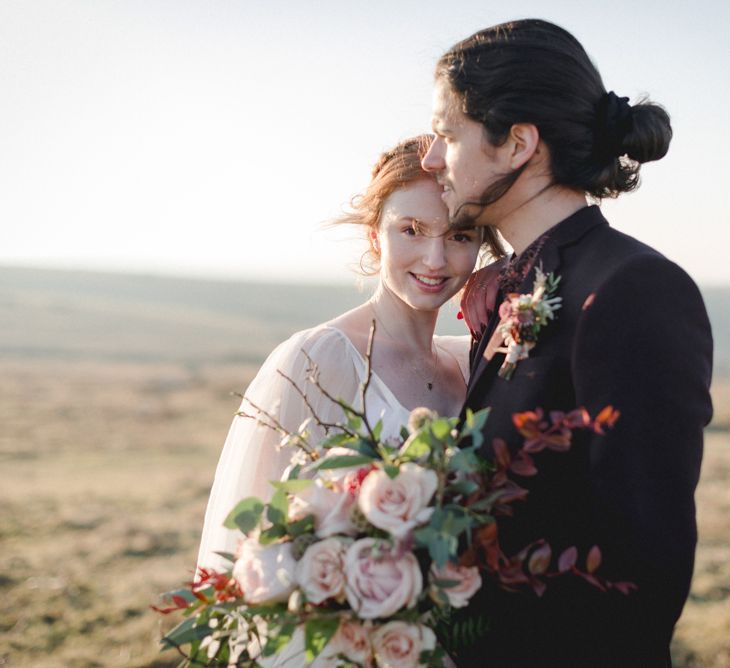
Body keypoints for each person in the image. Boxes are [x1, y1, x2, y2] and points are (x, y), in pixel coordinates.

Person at [421, 19, 713, 668]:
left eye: (447, 134)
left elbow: (643, 574)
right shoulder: (503, 290)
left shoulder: (635, 290)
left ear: (518, 142)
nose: (431, 158)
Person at [197, 134, 496, 573]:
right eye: (411, 230)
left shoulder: (472, 362)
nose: (436, 259)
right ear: (375, 237)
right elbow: (257, 547)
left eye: (459, 235)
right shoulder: (317, 359)